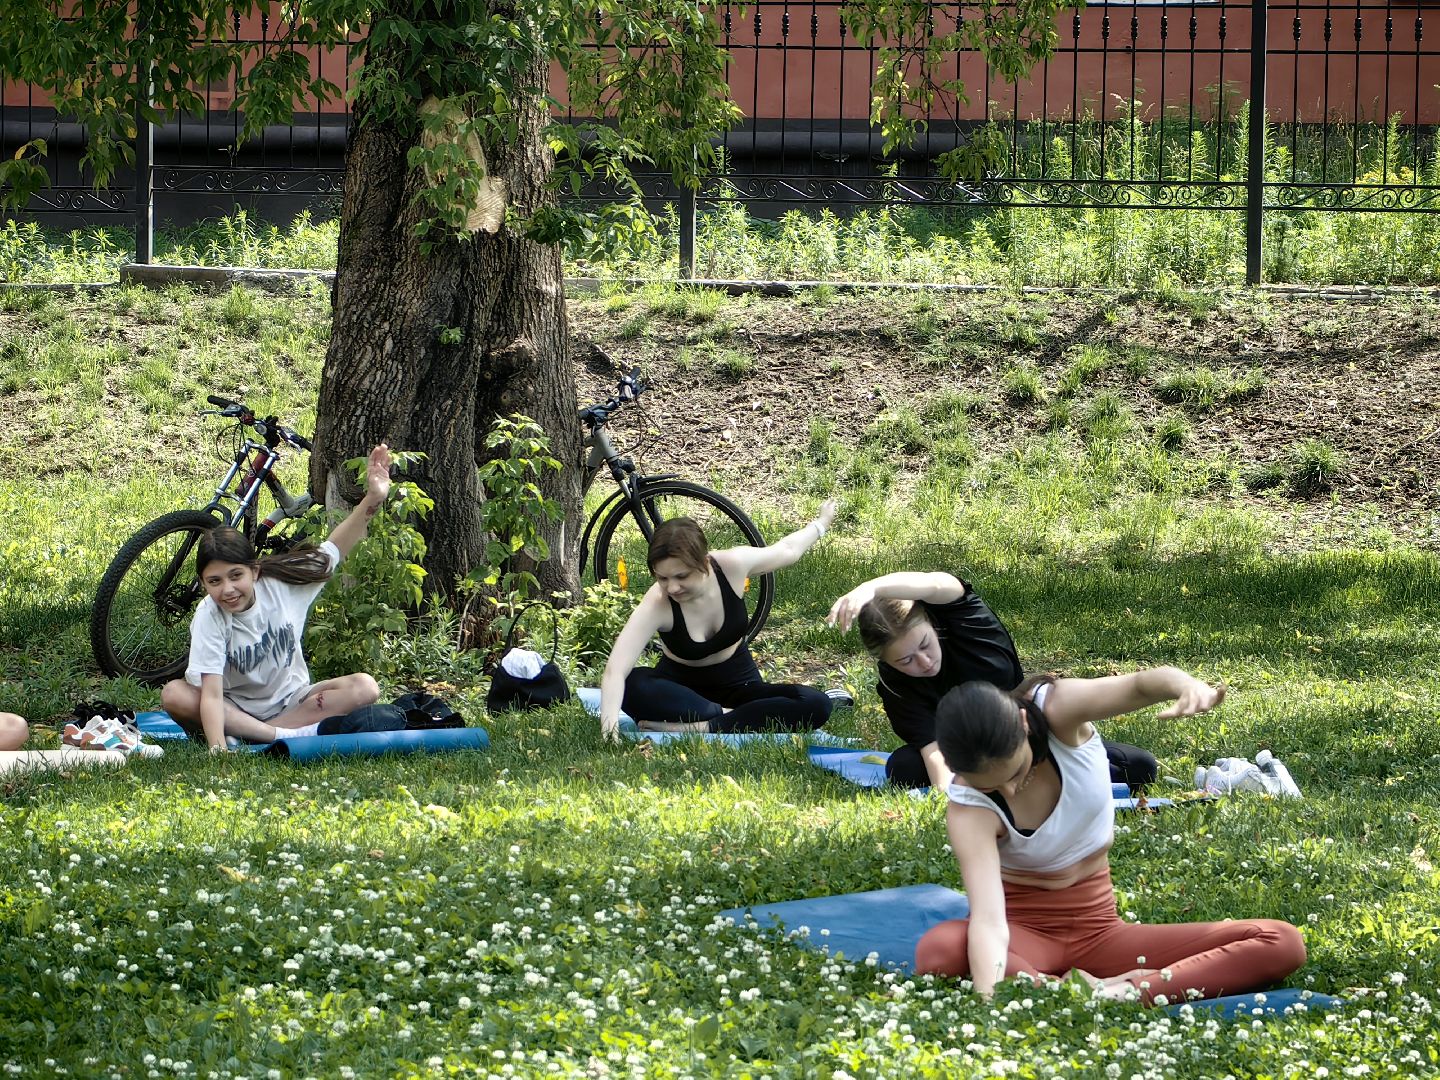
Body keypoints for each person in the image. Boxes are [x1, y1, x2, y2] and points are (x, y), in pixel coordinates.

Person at [914, 671, 1307, 1004]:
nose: (1011, 791)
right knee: (941, 947)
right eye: (993, 788)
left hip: (1100, 929)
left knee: (1280, 940)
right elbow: (987, 918)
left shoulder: (1058, 710)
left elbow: (1138, 686)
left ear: (1023, 722)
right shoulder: (967, 805)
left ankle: (1119, 992)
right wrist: (990, 1001)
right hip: (1025, 934)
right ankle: (1073, 989)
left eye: (1015, 772)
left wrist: (1186, 685)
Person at [828, 572, 1157, 791]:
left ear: (931, 622)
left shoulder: (966, 619)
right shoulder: (895, 684)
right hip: (966, 757)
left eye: (925, 645)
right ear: (887, 662)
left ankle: (1034, 778)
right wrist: (953, 797)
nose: (924, 662)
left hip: (1029, 741)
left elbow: (933, 583)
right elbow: (934, 752)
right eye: (905, 660)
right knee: (903, 768)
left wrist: (871, 588)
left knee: (1137, 765)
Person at [160, 444, 392, 751]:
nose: (227, 589)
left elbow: (336, 547)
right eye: (214, 581)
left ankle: (261, 733)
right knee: (174, 694)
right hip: (232, 710)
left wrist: (374, 498)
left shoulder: (284, 582)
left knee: (364, 687)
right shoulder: (209, 615)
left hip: (293, 703)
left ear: (254, 572)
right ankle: (278, 736)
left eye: (236, 576)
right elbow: (213, 695)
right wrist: (219, 752)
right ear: (203, 584)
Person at [598, 502, 839, 739]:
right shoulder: (657, 602)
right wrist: (609, 732)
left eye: (682, 576)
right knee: (633, 683)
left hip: (740, 687)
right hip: (681, 696)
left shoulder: (732, 565)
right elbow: (615, 670)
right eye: (662, 578)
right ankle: (737, 718)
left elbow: (788, 550)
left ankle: (700, 727)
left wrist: (821, 523)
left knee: (816, 703)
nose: (672, 587)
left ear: (704, 563)